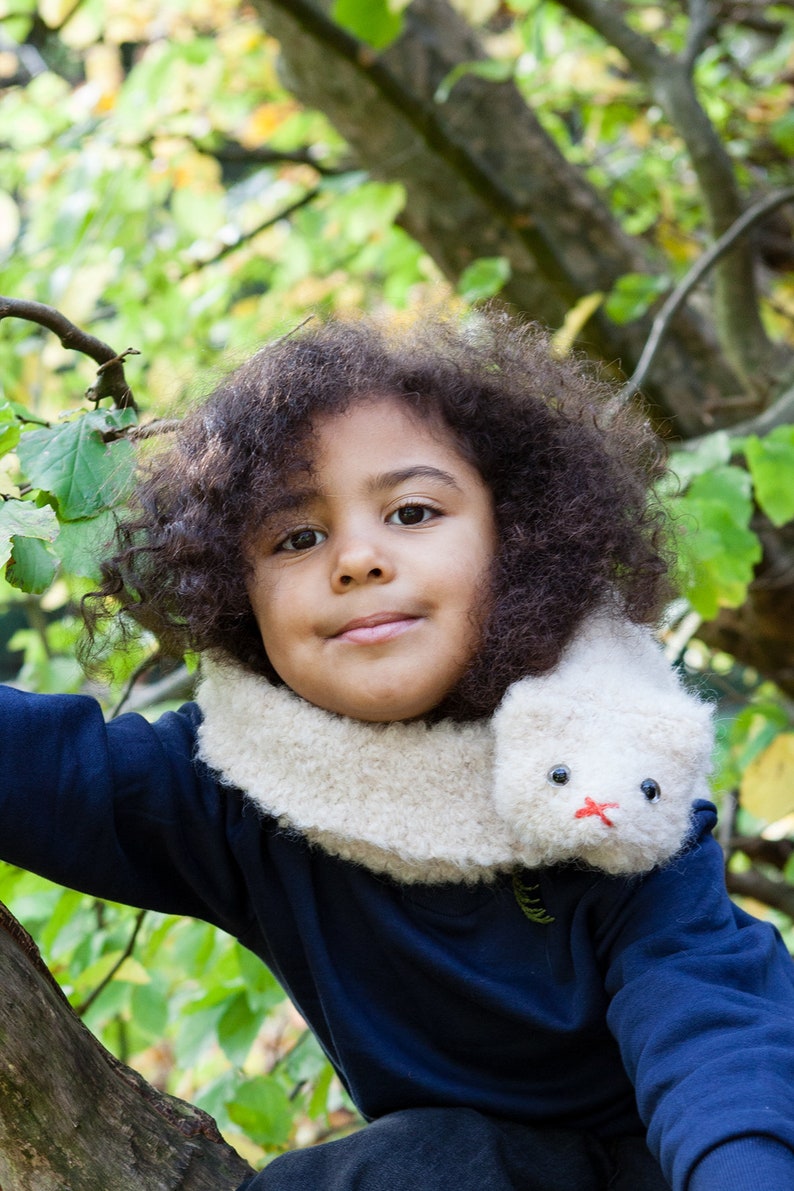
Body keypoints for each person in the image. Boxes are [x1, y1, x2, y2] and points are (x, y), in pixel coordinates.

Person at [1, 310, 793, 1190]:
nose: (358, 558)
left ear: (520, 539)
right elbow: (39, 771)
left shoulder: (606, 753)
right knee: (404, 1162)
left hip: (682, 1163)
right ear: (237, 593)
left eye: (413, 511)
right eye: (297, 537)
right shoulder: (239, 784)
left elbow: (710, 1018)